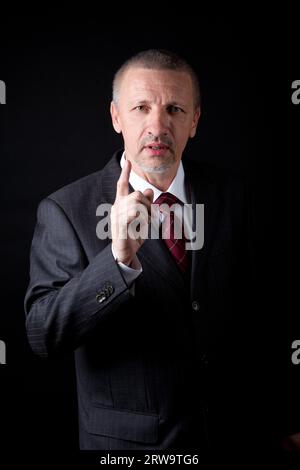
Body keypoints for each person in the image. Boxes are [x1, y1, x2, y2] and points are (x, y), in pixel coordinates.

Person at [24, 49, 253, 453]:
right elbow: (43, 335)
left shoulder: (233, 196)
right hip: (132, 450)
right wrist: (117, 260)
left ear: (194, 121)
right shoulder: (64, 209)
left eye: (175, 109)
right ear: (116, 117)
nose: (157, 126)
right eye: (141, 108)